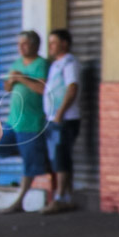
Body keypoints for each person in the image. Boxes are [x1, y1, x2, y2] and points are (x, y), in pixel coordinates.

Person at [0, 30, 50, 213]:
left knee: (29, 165)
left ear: (35, 45)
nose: (21, 47)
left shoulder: (41, 64)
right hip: (13, 120)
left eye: (25, 44)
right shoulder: (17, 63)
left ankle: (19, 201)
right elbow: (6, 86)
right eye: (19, 44)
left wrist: (22, 78)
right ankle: (36, 156)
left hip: (31, 121)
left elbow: (42, 88)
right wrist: (11, 81)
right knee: (0, 147)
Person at [41, 28, 80, 214]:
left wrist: (60, 114)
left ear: (64, 43)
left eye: (54, 42)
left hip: (64, 120)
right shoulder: (56, 64)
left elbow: (72, 88)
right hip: (54, 119)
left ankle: (60, 198)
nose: (50, 46)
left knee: (61, 159)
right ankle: (67, 197)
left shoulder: (69, 63)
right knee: (59, 158)